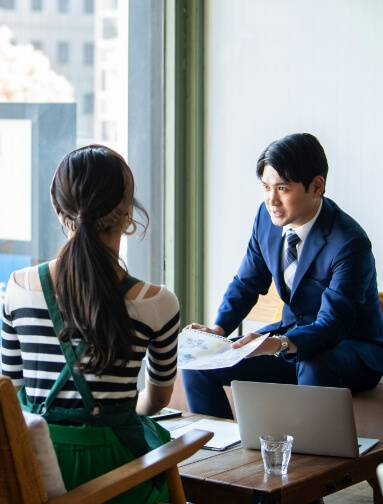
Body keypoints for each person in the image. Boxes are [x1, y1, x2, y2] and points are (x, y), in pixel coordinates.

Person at [1, 145, 180, 503]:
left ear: (58, 209)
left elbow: (13, 389)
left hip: (33, 464)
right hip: (117, 471)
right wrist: (119, 417)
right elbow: (158, 398)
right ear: (128, 212)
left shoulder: (18, 287)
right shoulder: (157, 303)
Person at [182, 132, 383, 420]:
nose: (271, 200)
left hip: (350, 349)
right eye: (266, 187)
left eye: (283, 188)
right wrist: (219, 330)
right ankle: (226, 455)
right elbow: (247, 283)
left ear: (316, 186)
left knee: (314, 364)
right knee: (200, 364)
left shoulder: (350, 243)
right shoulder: (266, 220)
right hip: (291, 339)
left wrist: (278, 344)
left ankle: (312, 464)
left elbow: (333, 325)